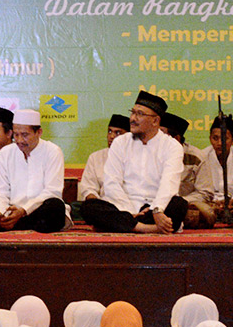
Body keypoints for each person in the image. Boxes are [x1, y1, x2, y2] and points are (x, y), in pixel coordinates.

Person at [80, 91, 187, 234]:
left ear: (155, 121)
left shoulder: (172, 146)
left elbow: (169, 184)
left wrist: (157, 208)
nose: (132, 119)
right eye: (133, 113)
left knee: (179, 205)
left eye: (140, 114)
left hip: (154, 209)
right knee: (89, 207)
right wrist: (129, 212)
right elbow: (112, 183)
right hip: (122, 207)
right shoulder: (120, 143)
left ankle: (121, 225)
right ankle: (146, 228)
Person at [0, 110, 67, 233]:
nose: (19, 140)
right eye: (16, 135)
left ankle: (14, 224)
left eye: (24, 135)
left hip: (38, 211)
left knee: (55, 207)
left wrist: (23, 210)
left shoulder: (53, 151)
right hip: (11, 211)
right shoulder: (5, 153)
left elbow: (52, 191)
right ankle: (8, 223)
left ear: (38, 132)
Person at [188, 115, 233, 227]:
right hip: (208, 205)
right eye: (215, 138)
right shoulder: (202, 157)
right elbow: (196, 189)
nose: (219, 143)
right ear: (210, 138)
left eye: (224, 139)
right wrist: (214, 203)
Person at [77, 114, 130, 205]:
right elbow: (89, 188)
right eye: (109, 131)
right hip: (105, 206)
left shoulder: (139, 157)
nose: (111, 136)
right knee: (88, 206)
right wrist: (93, 199)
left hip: (131, 204)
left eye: (118, 133)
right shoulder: (96, 157)